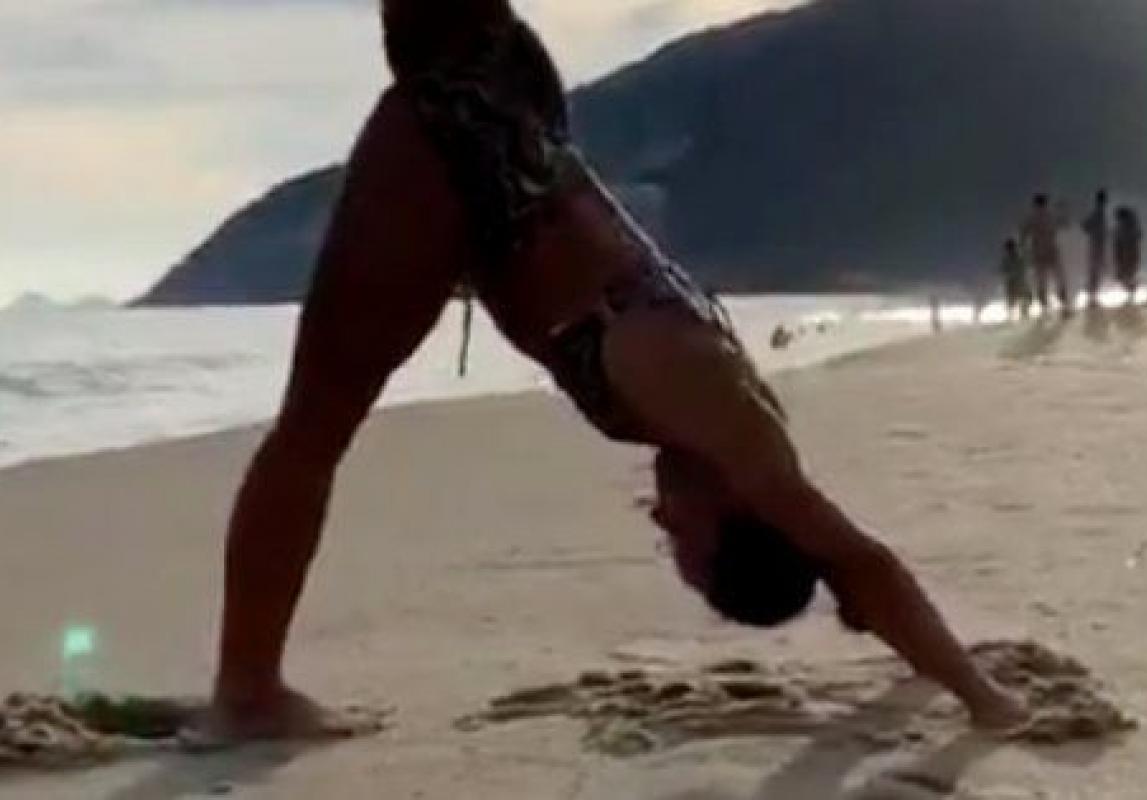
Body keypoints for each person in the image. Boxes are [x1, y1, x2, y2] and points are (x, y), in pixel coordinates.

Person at [203, 0, 1029, 742]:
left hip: (500, 105)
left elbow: (844, 568)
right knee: (313, 430)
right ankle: (248, 693)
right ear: (740, 510)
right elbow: (860, 561)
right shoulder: (722, 416)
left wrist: (889, 639)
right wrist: (983, 697)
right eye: (684, 538)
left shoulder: (745, 439)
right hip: (458, 152)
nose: (659, 517)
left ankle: (250, 688)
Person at [1021, 194, 1072, 315]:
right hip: (1051, 250)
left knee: (1042, 281)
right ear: (1045, 203)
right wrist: (1064, 209)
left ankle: (1045, 307)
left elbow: (1023, 234)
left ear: (1035, 204)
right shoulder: (1050, 216)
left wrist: (1024, 249)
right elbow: (1065, 223)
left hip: (1039, 252)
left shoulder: (1031, 218)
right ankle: (1064, 305)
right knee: (1058, 278)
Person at [1081, 189, 1110, 306]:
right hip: (1097, 245)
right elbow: (1086, 225)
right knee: (1095, 271)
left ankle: (1092, 296)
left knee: (1095, 271)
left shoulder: (1099, 212)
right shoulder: (1098, 213)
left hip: (1096, 245)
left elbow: (1085, 225)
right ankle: (1092, 297)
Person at [999, 238, 1031, 321]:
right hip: (1015, 282)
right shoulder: (1012, 258)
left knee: (1020, 298)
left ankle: (1022, 314)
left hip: (1017, 281)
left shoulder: (1015, 258)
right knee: (1017, 299)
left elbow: (1004, 270)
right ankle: (1019, 314)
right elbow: (1004, 270)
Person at [1114, 206, 1142, 301]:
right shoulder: (1131, 225)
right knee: (1128, 274)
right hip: (1130, 252)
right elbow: (1139, 236)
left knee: (1125, 275)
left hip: (1126, 253)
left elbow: (1118, 243)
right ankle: (1131, 293)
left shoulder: (1123, 227)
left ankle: (1131, 293)